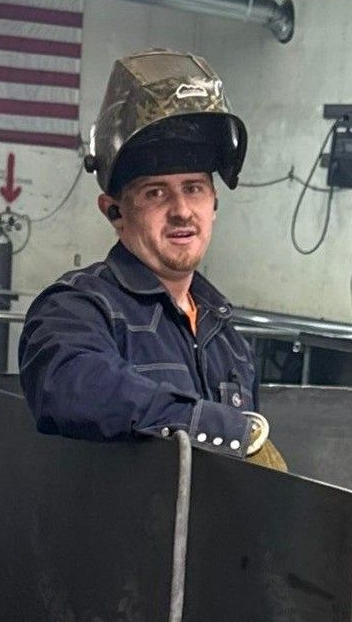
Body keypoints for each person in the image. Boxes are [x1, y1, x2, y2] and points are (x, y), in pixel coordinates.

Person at [19, 50, 284, 467]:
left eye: (194, 188)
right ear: (115, 211)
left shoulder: (226, 336)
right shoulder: (78, 309)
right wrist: (219, 428)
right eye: (155, 192)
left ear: (214, 204)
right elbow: (72, 385)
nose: (182, 210)